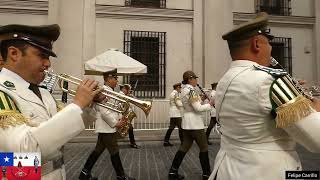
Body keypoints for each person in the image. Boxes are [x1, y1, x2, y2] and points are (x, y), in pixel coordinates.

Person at [208, 12, 320, 180]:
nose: (271, 48)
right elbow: (316, 139)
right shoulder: (271, 81)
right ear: (256, 44)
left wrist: (292, 91)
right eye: (269, 42)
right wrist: (315, 109)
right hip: (268, 172)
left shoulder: (226, 79)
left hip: (229, 169)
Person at [0, 24, 101, 180]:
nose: (48, 64)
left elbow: (63, 130)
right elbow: (22, 151)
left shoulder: (43, 93)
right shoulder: (2, 92)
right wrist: (77, 104)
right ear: (14, 53)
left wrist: (89, 105)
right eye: (42, 55)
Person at [79, 70, 135, 180]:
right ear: (108, 79)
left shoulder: (110, 91)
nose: (117, 81)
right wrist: (116, 123)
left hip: (106, 127)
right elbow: (104, 111)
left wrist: (120, 117)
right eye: (115, 78)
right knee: (114, 151)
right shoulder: (104, 91)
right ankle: (121, 176)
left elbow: (113, 109)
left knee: (98, 150)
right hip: (107, 127)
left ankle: (84, 173)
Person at [168, 71, 214, 180]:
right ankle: (206, 174)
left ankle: (173, 172)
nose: (196, 81)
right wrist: (210, 105)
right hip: (195, 124)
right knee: (204, 148)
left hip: (186, 123)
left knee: (184, 147)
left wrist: (201, 99)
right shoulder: (192, 91)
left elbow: (191, 105)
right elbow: (198, 108)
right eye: (195, 79)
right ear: (190, 79)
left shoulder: (184, 90)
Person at [119, 84, 140, 149]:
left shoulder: (125, 95)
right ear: (123, 89)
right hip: (122, 116)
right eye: (128, 89)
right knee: (129, 129)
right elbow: (122, 107)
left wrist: (131, 97)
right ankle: (132, 143)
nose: (128, 91)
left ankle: (132, 143)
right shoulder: (121, 95)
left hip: (125, 115)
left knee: (130, 129)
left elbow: (136, 101)